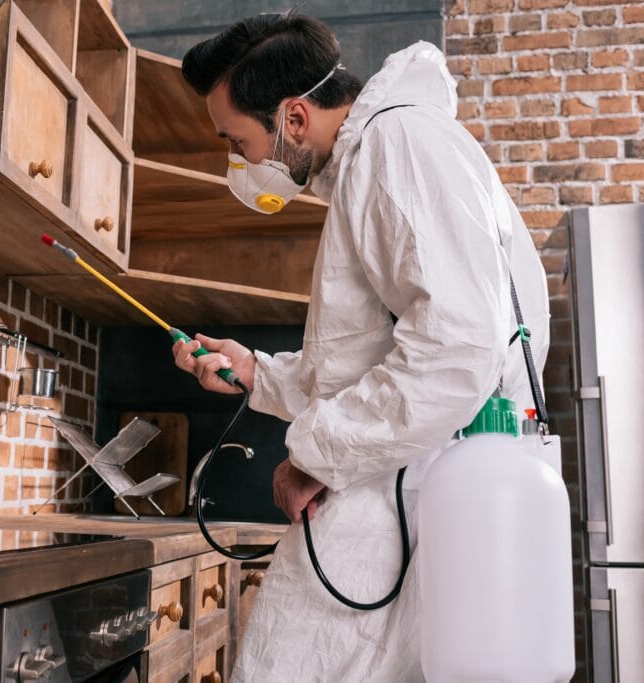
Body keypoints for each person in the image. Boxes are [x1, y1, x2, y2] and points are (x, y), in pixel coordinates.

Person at [172, 11, 550, 682]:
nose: (241, 162)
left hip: (399, 506)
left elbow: (457, 349)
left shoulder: (395, 145)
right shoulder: (381, 156)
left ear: (292, 119)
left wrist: (316, 454)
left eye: (237, 140)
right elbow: (369, 360)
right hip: (417, 497)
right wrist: (254, 371)